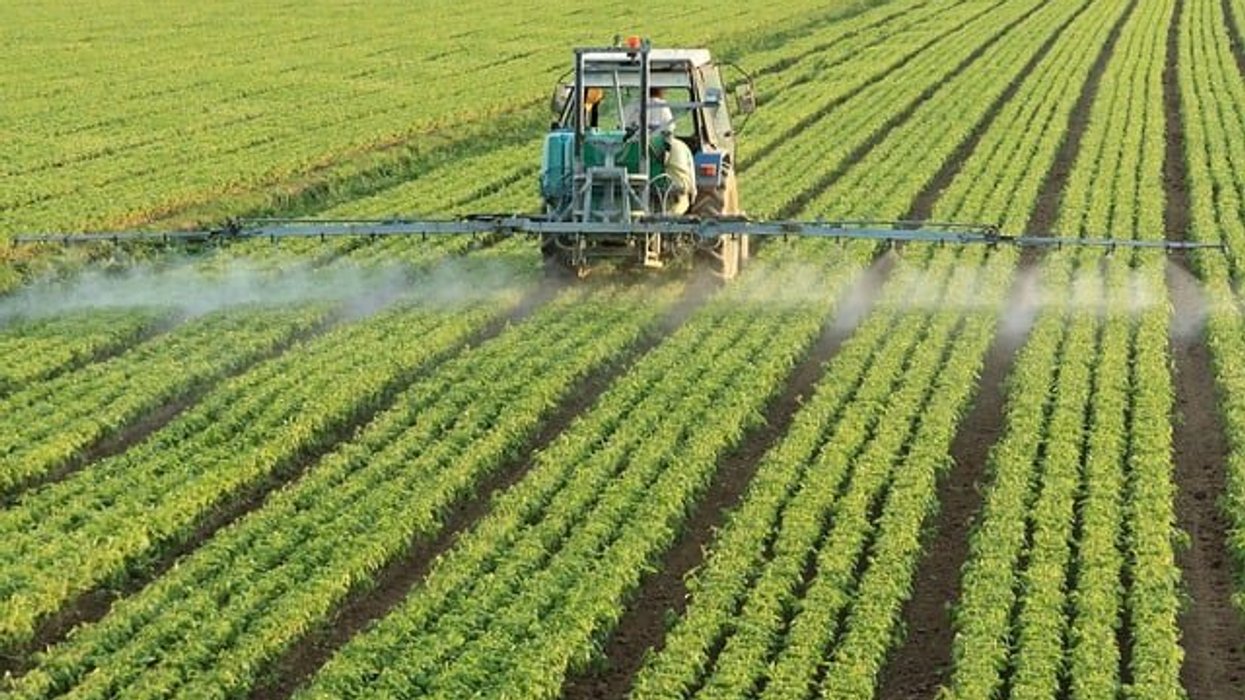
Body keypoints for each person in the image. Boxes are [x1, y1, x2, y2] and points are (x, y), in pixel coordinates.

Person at [660, 135, 696, 215]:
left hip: (654, 196)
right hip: (677, 200)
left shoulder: (636, 145)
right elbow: (692, 184)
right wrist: (693, 195)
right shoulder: (681, 147)